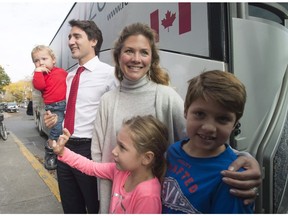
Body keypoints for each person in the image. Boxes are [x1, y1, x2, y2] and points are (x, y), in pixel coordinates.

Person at [91, 22, 261, 213]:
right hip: (118, 201)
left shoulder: (166, 97)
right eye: (129, 51)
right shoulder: (107, 100)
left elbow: (200, 139)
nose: (136, 59)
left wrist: (243, 158)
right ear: (118, 55)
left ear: (152, 59)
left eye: (144, 52)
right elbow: (100, 157)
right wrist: (106, 206)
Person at [44, 19, 118, 213]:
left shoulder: (110, 74)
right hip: (64, 147)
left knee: (95, 207)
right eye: (70, 37)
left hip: (90, 150)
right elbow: (68, 109)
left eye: (77, 36)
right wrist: (53, 121)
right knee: (71, 208)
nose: (70, 41)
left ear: (93, 41)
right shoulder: (70, 76)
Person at [162, 70, 254, 213]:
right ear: (185, 111)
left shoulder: (233, 179)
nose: (208, 127)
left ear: (235, 124)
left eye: (222, 119)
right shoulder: (173, 151)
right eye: (200, 114)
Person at [53, 115, 168, 214]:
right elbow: (91, 167)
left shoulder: (148, 196)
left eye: (122, 147)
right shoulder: (120, 171)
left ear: (147, 158)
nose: (114, 151)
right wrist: (63, 152)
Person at [31, 45, 68, 170]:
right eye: (36, 61)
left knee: (66, 131)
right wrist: (38, 72)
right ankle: (50, 152)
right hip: (54, 107)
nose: (40, 62)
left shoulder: (62, 72)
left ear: (53, 60)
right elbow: (39, 85)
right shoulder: (39, 76)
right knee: (56, 131)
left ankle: (63, 153)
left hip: (67, 104)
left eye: (44, 59)